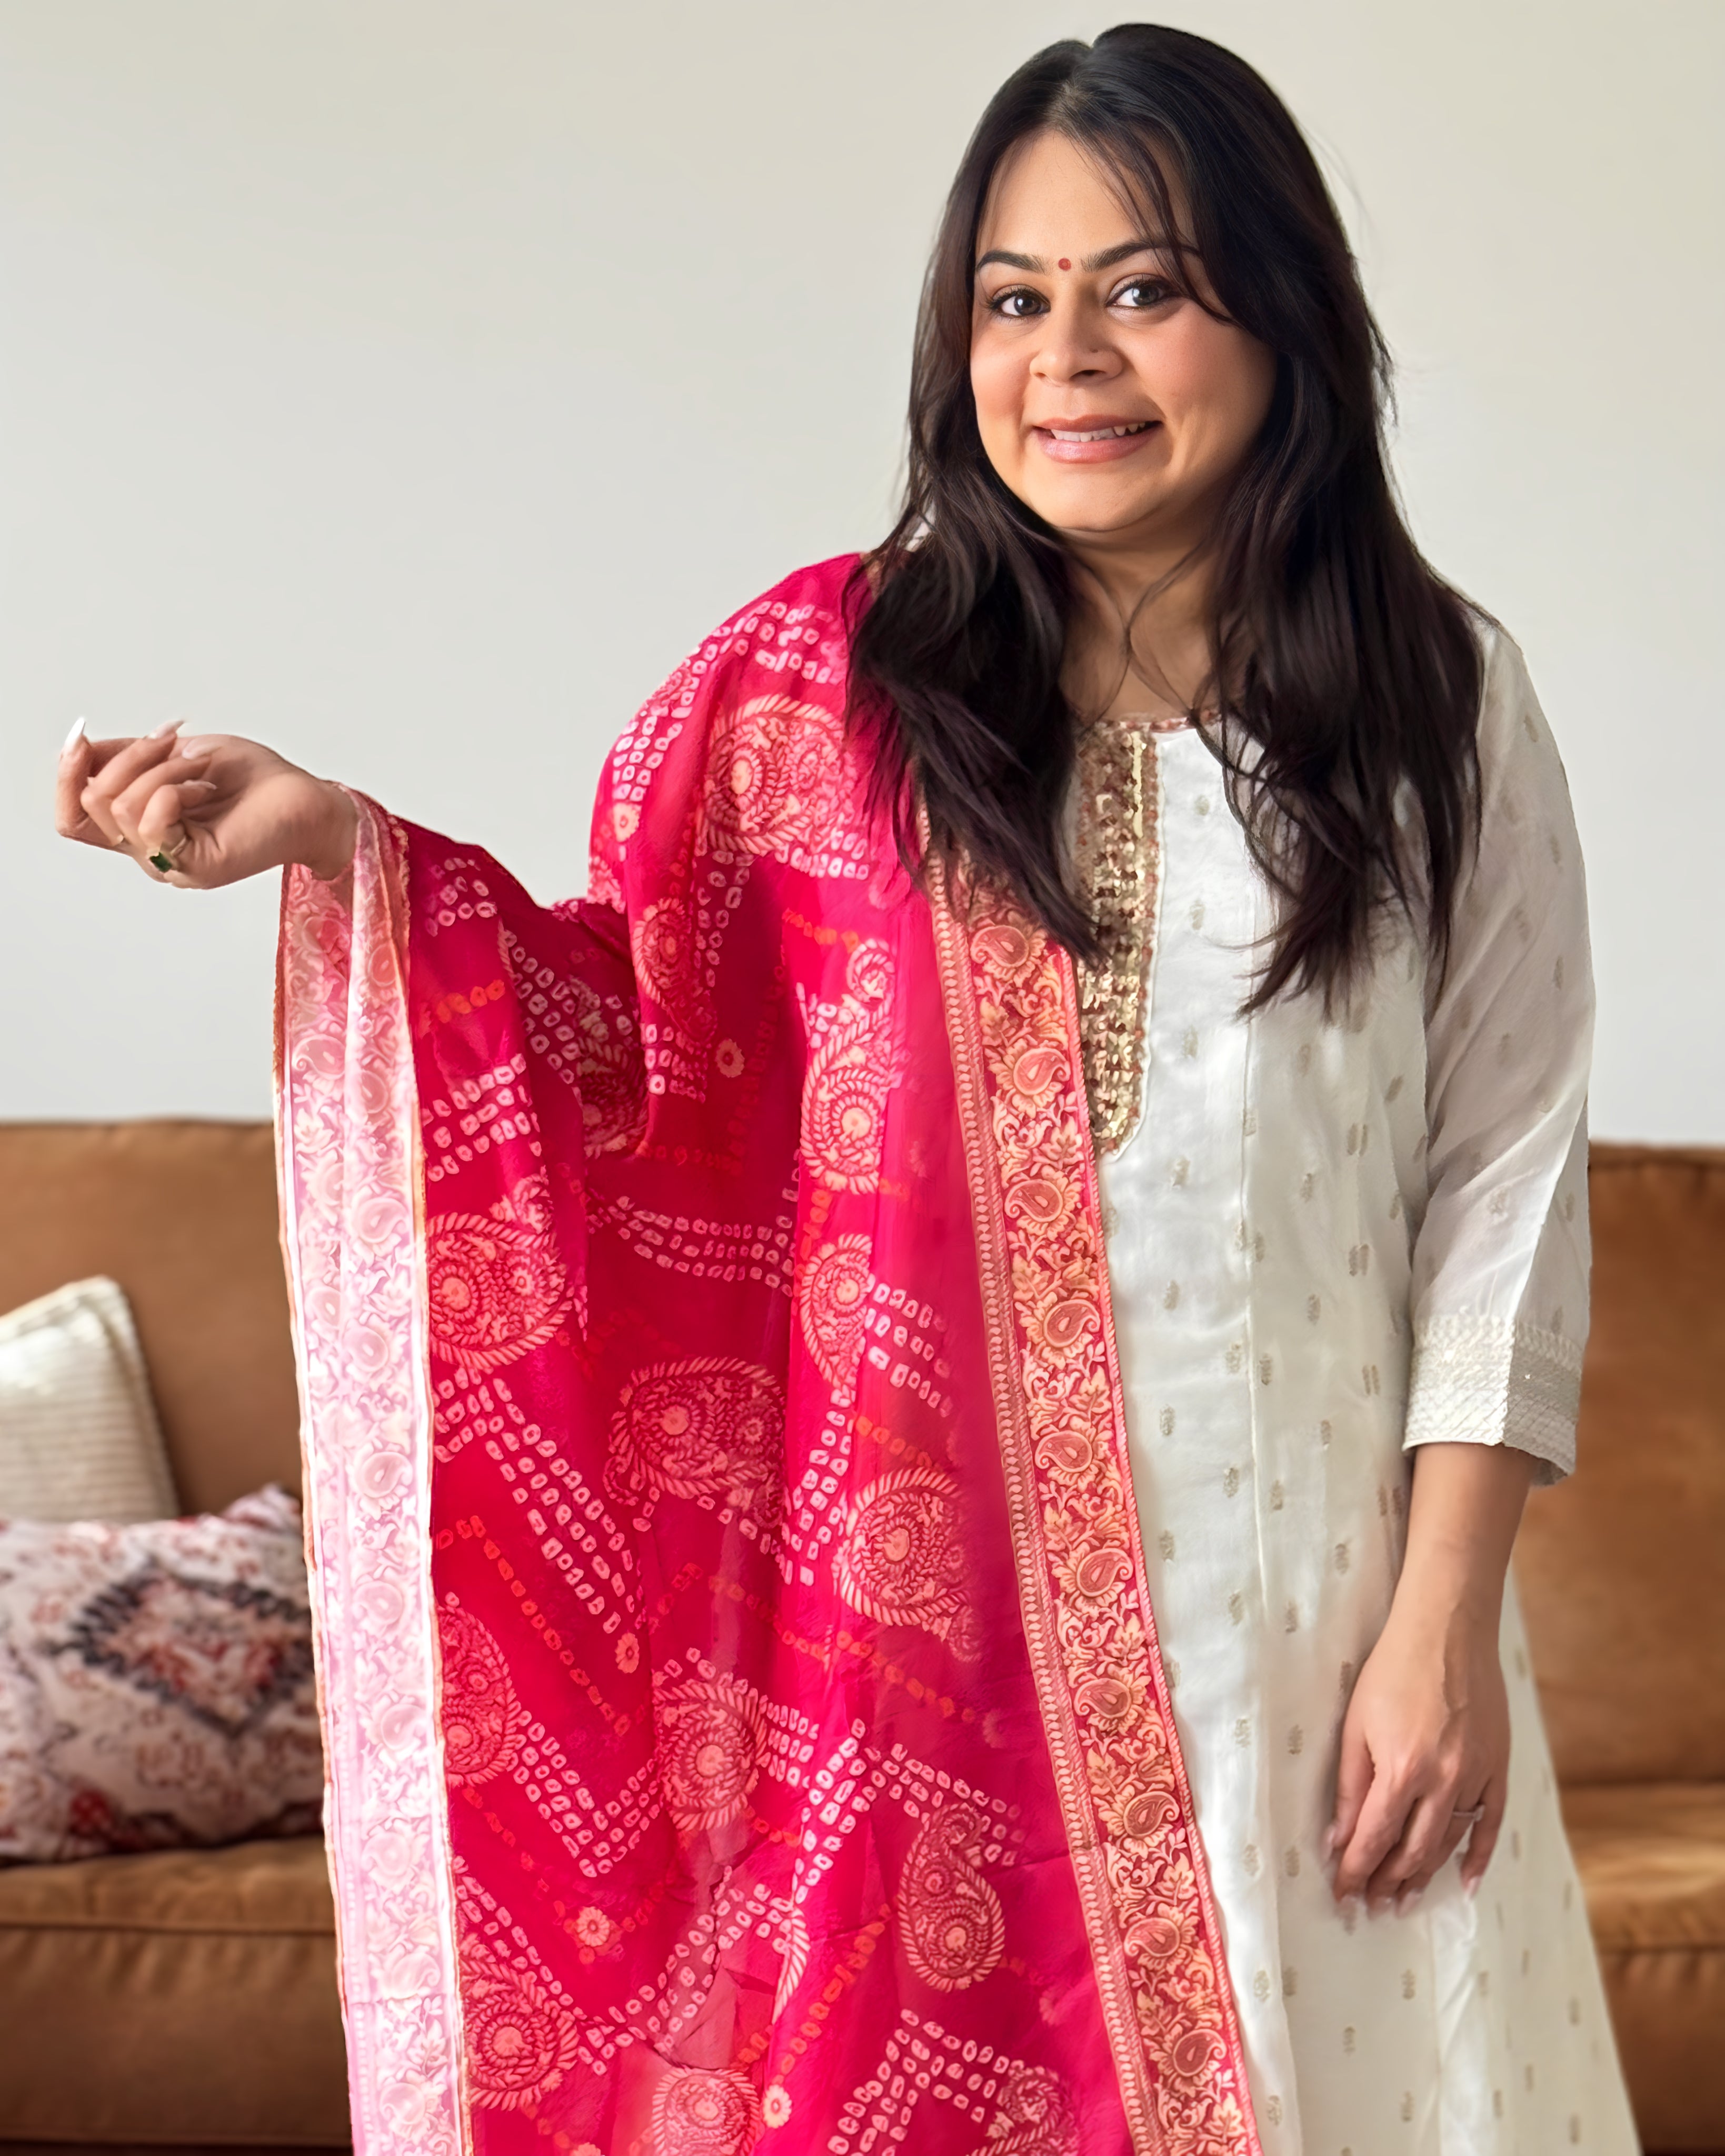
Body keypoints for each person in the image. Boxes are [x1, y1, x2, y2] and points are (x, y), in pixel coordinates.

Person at [54, 25, 1637, 2156]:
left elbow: (1501, 1180)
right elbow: (634, 1056)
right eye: (1012, 297)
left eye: (1143, 286)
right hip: (919, 1675)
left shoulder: (1439, 704)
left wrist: (1440, 1625)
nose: (1066, 356)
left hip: (1325, 1630)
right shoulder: (831, 699)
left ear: (1287, 318)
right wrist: (346, 849)